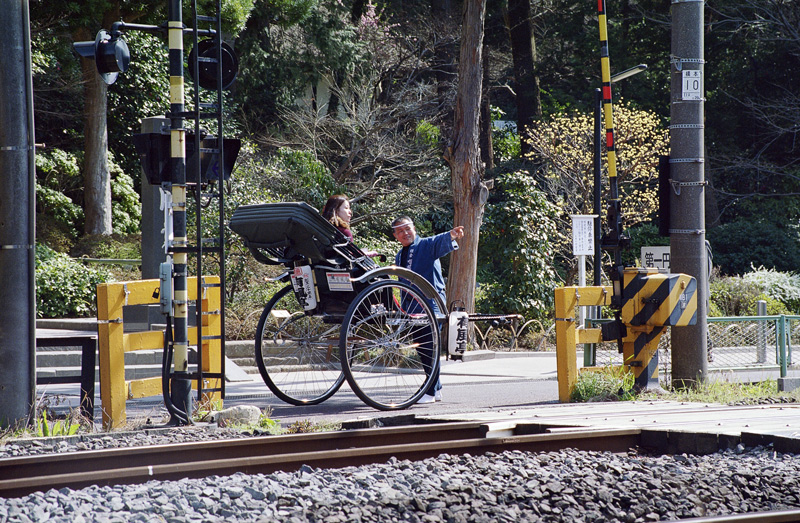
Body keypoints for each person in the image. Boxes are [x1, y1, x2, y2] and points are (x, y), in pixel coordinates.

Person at [391, 216, 465, 404]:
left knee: (429, 346)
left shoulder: (425, 245)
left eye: (408, 229)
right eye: (400, 231)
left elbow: (438, 240)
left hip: (430, 303)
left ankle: (430, 391)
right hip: (412, 306)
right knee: (423, 348)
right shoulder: (400, 254)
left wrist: (452, 235)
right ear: (395, 236)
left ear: (414, 229)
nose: (405, 233)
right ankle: (436, 388)